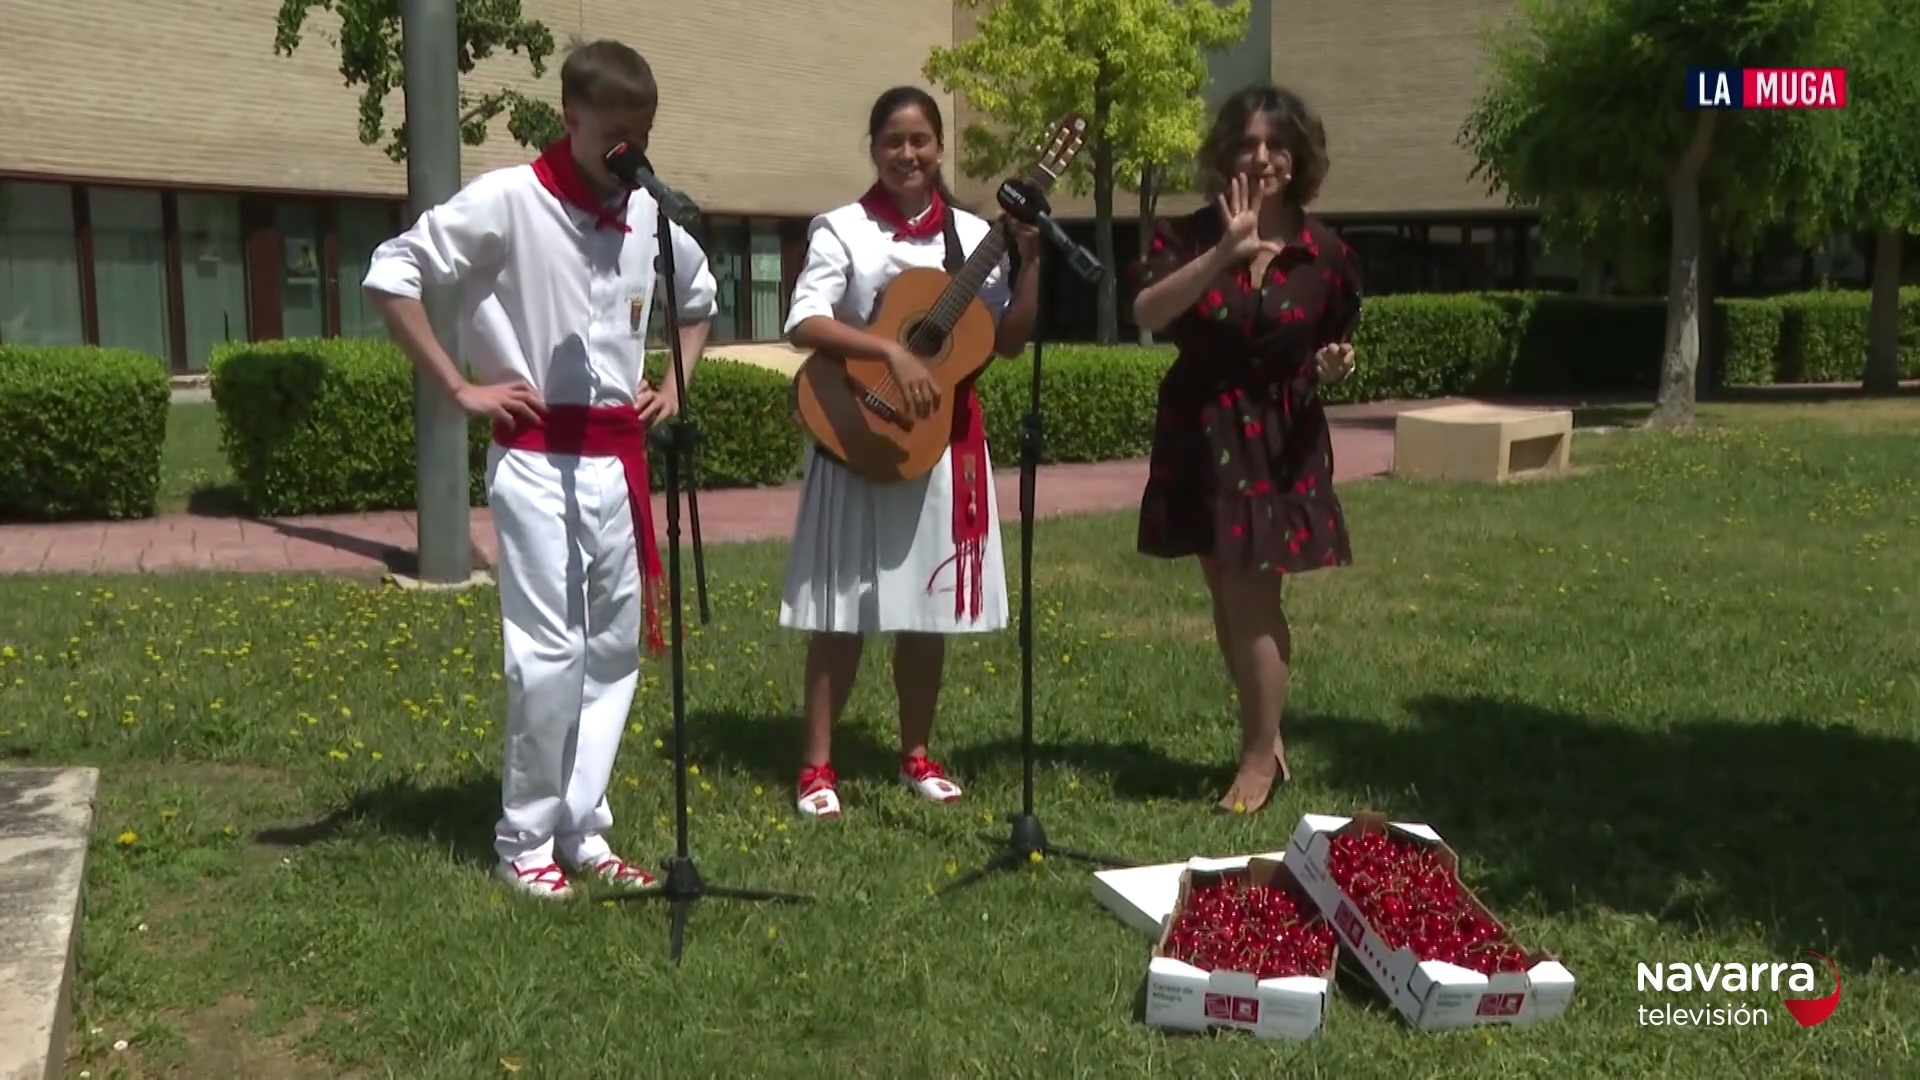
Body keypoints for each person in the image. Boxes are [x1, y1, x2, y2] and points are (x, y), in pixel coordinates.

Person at [363, 40, 718, 897]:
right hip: (536, 458)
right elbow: (391, 272)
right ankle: (523, 838)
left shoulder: (649, 214)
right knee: (549, 650)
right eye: (614, 136)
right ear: (571, 116)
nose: (628, 152)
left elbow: (698, 299)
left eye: (641, 136)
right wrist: (459, 387)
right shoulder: (509, 200)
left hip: (617, 463)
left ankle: (580, 824)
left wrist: (674, 384)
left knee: (613, 649)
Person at [778, 86, 1043, 821]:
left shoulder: (972, 236)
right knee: (841, 609)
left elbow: (1005, 340)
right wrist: (889, 352)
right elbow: (804, 320)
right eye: (893, 140)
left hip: (939, 441)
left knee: (928, 611)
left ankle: (917, 753)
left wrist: (1031, 263)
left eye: (920, 139)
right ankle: (817, 765)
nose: (907, 154)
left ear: (940, 147)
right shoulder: (843, 228)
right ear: (873, 148)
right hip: (856, 428)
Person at [1129, 84, 1361, 816]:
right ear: (1226, 153)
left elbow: (1333, 334)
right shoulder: (1187, 236)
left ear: (1299, 157)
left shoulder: (1326, 253)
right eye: (1247, 143)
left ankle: (1258, 760)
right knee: (1225, 591)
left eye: (1277, 144)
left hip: (1281, 439)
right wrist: (1224, 253)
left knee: (1250, 592)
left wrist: (1331, 366)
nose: (1262, 157)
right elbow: (1148, 312)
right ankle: (1269, 736)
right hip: (1202, 428)